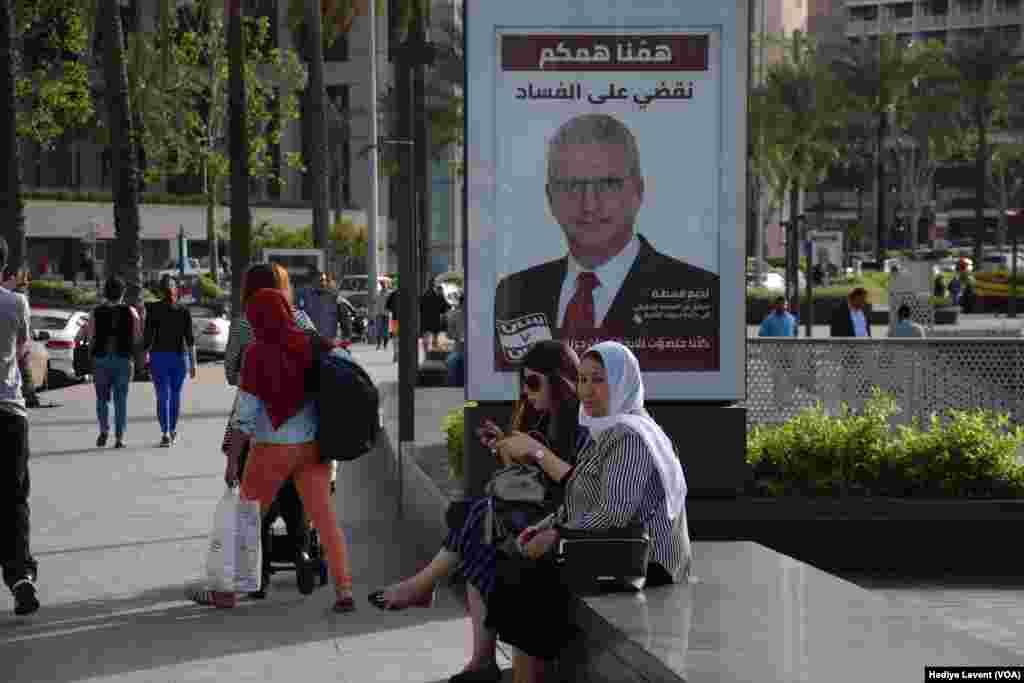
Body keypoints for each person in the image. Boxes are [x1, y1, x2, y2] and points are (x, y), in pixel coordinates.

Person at [368, 340, 584, 683]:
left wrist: (536, 451)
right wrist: (506, 447)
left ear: (560, 380)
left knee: (479, 521)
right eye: (523, 383)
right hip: (542, 516)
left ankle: (428, 592)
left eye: (533, 383)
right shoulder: (547, 418)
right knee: (476, 523)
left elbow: (580, 487)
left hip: (567, 529)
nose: (527, 393)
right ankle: (476, 656)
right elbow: (531, 483)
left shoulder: (582, 421)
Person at [486, 341, 691, 683]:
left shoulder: (631, 437)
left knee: (526, 576)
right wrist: (546, 526)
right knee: (513, 557)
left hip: (647, 562)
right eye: (581, 380)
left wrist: (556, 537)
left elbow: (613, 514)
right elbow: (581, 499)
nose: (587, 391)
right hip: (615, 548)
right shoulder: (608, 430)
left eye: (598, 380)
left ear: (624, 382)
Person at [493, 113, 719, 370]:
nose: (589, 204)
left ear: (638, 191)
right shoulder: (516, 293)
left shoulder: (702, 294)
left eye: (608, 184)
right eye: (572, 185)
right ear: (550, 197)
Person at [191, 289, 355, 612]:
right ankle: (344, 591)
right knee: (324, 520)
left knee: (247, 520)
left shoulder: (256, 354)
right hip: (312, 449)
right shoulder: (312, 343)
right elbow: (344, 369)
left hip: (270, 450)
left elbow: (245, 415)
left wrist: (232, 460)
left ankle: (227, 592)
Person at [223, 262, 317, 598]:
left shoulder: (241, 325)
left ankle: (258, 575)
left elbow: (231, 374)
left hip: (255, 424)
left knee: (255, 501)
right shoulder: (302, 320)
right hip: (301, 424)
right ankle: (301, 552)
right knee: (295, 495)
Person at [0, 238, 39, 615]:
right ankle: (19, 576)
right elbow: (24, 348)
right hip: (9, 413)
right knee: (13, 498)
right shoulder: (15, 302)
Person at [79, 276, 143, 448]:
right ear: (123, 292)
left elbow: (90, 337)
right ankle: (119, 437)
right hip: (123, 358)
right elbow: (137, 338)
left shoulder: (95, 311)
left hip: (101, 359)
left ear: (105, 292)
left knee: (102, 399)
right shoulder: (131, 312)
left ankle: (104, 430)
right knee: (120, 400)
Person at [144, 275, 196, 447]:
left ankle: (165, 432)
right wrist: (193, 364)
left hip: (158, 357)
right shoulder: (183, 310)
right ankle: (172, 430)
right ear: (176, 290)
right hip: (179, 358)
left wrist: (144, 356)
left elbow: (147, 338)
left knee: (162, 395)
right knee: (174, 395)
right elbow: (190, 340)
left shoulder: (152, 309)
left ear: (160, 290)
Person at [9, 270, 40, 409]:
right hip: (19, 341)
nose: (26, 287)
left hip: (13, 340)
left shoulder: (14, 298)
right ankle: (30, 397)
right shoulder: (21, 300)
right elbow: (25, 324)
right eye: (25, 284)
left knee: (20, 370)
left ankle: (27, 395)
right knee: (24, 370)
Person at [296, 271, 340, 342]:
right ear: (314, 281)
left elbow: (339, 317)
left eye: (325, 280)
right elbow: (299, 314)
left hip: (328, 340)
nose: (323, 283)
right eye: (321, 280)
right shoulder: (304, 295)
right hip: (310, 339)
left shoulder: (332, 297)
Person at [420, 284, 451, 353]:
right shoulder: (439, 297)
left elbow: (419, 307)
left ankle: (426, 350)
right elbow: (447, 307)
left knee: (425, 335)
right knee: (435, 335)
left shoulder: (423, 296)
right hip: (435, 319)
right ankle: (433, 349)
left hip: (424, 318)